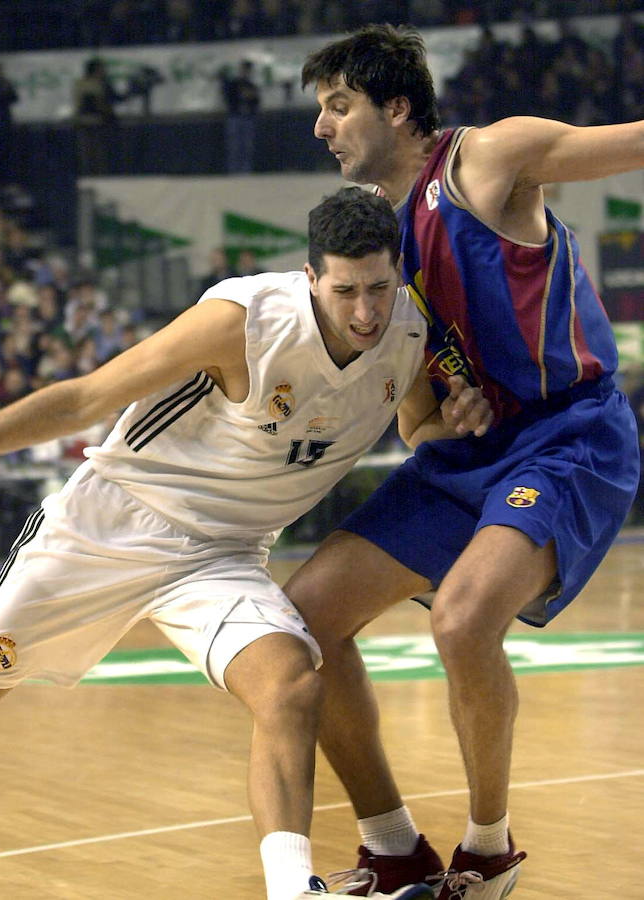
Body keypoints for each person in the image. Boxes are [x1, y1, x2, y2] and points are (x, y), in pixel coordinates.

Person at [0, 188, 491, 900]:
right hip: (112, 525)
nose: (364, 311)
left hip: (223, 556)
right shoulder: (242, 320)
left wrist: (459, 422)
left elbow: (417, 427)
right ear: (310, 276)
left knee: (292, 685)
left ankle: (294, 891)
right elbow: (83, 399)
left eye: (379, 288)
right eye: (345, 290)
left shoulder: (407, 332)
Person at [287, 23, 643, 899]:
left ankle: (489, 853)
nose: (323, 128)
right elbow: (416, 426)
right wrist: (444, 423)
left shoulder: (488, 160)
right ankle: (393, 846)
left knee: (459, 620)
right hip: (476, 453)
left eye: (339, 106)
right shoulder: (376, 249)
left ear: (396, 106)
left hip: (571, 435)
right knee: (301, 623)